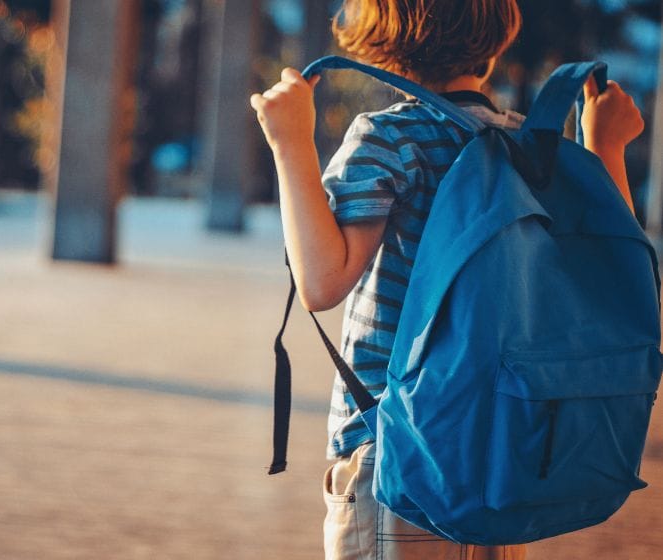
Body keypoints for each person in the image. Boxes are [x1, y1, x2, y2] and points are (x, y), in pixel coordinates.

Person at [249, 1, 645, 559]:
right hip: (505, 450)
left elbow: (322, 282)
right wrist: (605, 148)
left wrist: (289, 143)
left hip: (400, 453)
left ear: (379, 39)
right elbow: (607, 274)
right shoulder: (529, 148)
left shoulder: (389, 138)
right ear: (495, 41)